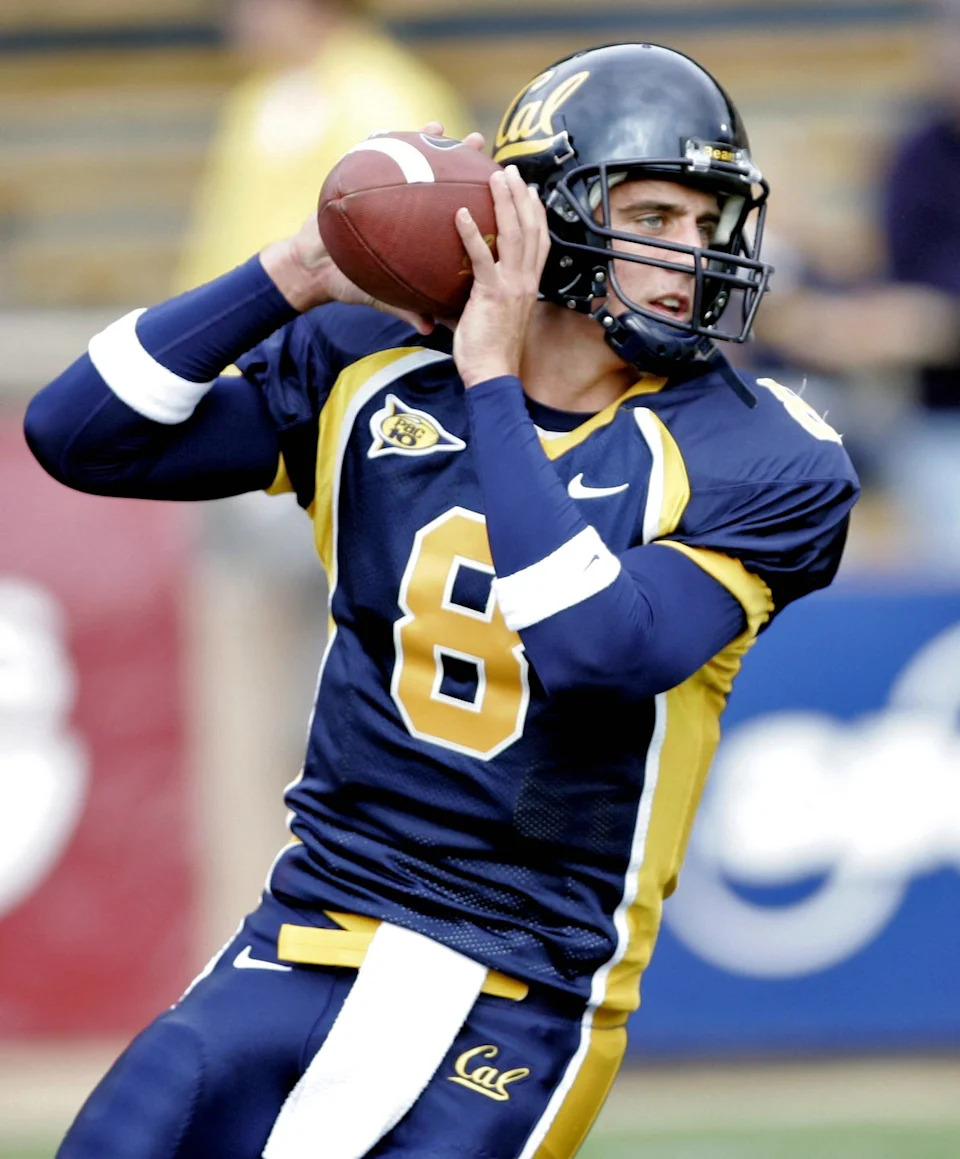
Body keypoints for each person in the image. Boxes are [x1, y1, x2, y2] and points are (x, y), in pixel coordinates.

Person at [24, 43, 859, 1159]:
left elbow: (595, 651)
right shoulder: (371, 365)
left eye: (708, 225)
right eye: (655, 214)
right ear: (545, 218)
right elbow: (77, 433)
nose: (689, 257)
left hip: (519, 982)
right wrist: (297, 270)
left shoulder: (764, 453)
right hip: (313, 924)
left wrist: (491, 384)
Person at [177, 0, 470, 289]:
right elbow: (219, 232)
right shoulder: (254, 97)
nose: (235, 16)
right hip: (250, 315)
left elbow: (412, 237)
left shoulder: (385, 96)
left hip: (332, 323)